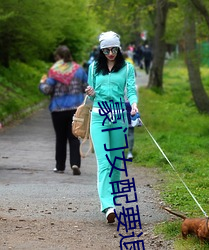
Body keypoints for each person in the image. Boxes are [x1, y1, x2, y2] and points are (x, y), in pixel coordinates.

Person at [85, 31, 138, 223]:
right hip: (99, 117)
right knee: (104, 163)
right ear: (101, 50)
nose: (110, 53)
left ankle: (113, 200)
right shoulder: (93, 68)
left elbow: (131, 90)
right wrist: (90, 92)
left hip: (119, 118)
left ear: (119, 48)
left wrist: (133, 104)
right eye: (106, 50)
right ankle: (107, 206)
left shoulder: (127, 68)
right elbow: (91, 97)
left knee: (116, 164)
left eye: (113, 49)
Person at [39, 45, 88, 175]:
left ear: (58, 57)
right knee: (74, 137)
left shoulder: (54, 71)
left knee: (60, 138)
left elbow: (47, 90)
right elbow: (86, 87)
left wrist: (42, 83)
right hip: (75, 109)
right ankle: (75, 163)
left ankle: (60, 166)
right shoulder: (79, 70)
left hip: (58, 109)